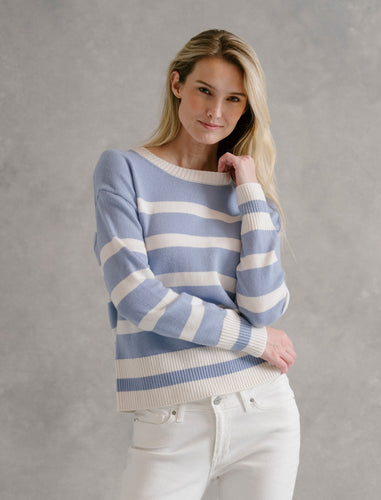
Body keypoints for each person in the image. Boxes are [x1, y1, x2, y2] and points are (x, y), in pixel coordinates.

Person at [93, 28, 300, 500]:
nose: (215, 111)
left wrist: (250, 194)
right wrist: (255, 341)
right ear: (177, 84)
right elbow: (137, 297)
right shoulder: (124, 170)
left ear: (246, 108)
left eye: (233, 99)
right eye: (205, 90)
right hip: (170, 419)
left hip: (263, 412)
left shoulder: (251, 197)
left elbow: (263, 308)